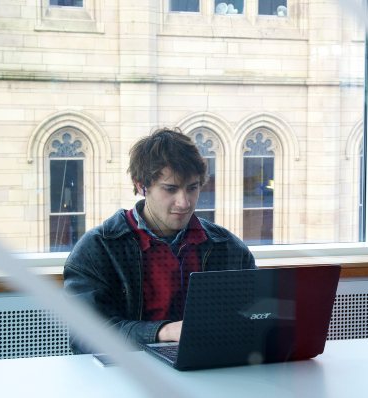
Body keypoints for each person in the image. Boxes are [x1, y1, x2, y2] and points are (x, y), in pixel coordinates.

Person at [63, 128, 256, 354]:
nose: (184, 202)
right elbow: (85, 337)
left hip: (210, 372)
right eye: (170, 189)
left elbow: (255, 320)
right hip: (128, 375)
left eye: (192, 188)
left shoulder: (229, 248)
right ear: (140, 186)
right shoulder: (98, 249)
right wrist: (164, 333)